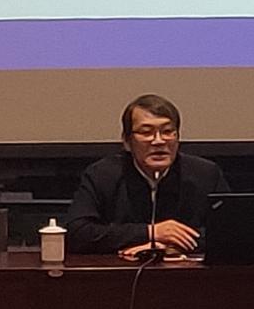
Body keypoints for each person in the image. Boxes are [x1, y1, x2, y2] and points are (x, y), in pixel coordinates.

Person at [67, 94, 229, 254]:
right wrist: (150, 233)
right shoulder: (102, 175)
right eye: (146, 132)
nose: (159, 141)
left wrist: (167, 248)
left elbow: (230, 233)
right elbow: (77, 234)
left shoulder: (206, 174)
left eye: (167, 131)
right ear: (127, 142)